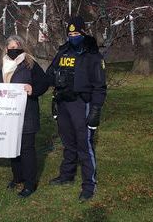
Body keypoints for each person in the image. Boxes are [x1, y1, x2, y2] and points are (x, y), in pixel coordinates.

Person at [46, 16, 107, 202]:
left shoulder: (92, 55)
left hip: (82, 104)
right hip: (63, 102)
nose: (73, 36)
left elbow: (100, 85)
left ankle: (89, 185)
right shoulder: (62, 52)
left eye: (76, 33)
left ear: (83, 33)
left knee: (84, 145)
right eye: (70, 33)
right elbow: (49, 74)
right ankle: (67, 175)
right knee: (68, 142)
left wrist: (96, 110)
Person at [0, 35, 49, 198]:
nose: (14, 50)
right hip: (7, 115)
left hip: (26, 113)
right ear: (6, 49)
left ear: (22, 48)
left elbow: (44, 83)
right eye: (11, 47)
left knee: (27, 149)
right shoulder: (1, 65)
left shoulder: (30, 64)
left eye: (17, 47)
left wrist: (33, 89)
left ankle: (30, 184)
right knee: (12, 148)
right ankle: (17, 177)